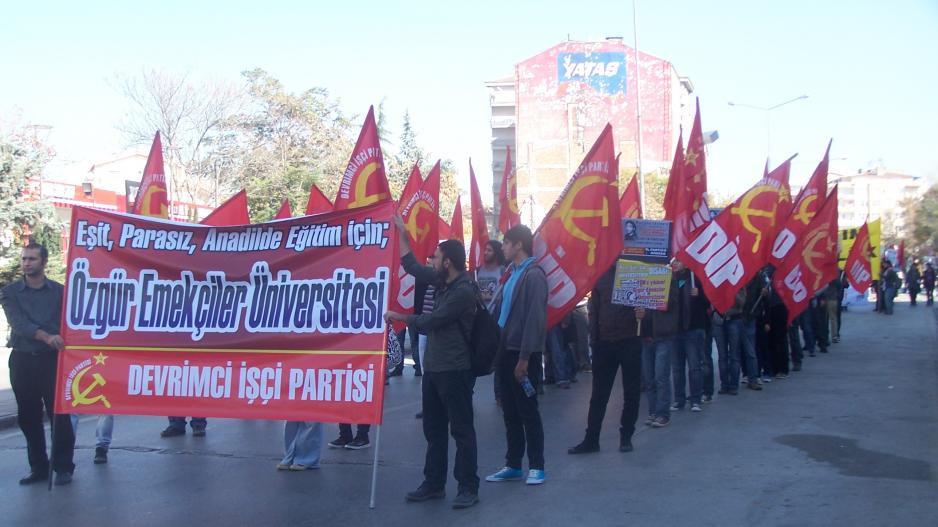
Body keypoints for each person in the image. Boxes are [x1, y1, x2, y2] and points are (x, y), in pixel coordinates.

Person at [385, 215, 480, 510]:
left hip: (456, 369)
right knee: (434, 430)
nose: (433, 261)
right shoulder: (441, 280)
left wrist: (400, 317)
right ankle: (434, 483)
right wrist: (402, 234)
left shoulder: (464, 291)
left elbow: (433, 321)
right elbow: (411, 266)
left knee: (461, 431)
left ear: (448, 262)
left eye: (437, 257)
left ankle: (468, 486)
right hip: (435, 370)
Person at [0, 242, 76, 485]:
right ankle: (38, 467)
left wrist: (64, 338)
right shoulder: (11, 292)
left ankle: (63, 466)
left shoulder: (60, 291)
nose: (26, 263)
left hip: (53, 360)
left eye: (32, 259)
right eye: (24, 259)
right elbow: (19, 324)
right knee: (28, 416)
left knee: (59, 414)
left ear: (43, 262)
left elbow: (70, 320)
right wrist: (47, 336)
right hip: (23, 359)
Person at [486, 225, 549, 486]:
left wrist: (524, 358)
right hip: (505, 350)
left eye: (506, 243)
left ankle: (537, 465)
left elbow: (535, 319)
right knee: (509, 412)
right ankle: (513, 463)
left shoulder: (534, 276)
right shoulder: (511, 273)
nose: (503, 247)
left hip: (523, 354)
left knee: (527, 410)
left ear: (519, 245)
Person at [568, 265, 643, 454]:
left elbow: (652, 303)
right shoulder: (600, 275)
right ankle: (591, 439)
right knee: (599, 396)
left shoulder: (637, 272)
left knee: (631, 393)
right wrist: (594, 340)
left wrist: (645, 314)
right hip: (604, 343)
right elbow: (593, 309)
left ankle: (626, 437)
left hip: (630, 340)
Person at [669, 260, 710, 413]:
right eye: (675, 261)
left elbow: (708, 303)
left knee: (694, 367)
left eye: (679, 260)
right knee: (677, 368)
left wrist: (699, 295)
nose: (676, 263)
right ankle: (679, 400)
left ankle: (695, 400)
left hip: (693, 329)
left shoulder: (696, 278)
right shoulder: (670, 279)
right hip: (675, 330)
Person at [643, 268, 679, 426]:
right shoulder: (638, 273)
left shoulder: (668, 277)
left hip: (663, 335)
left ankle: (662, 414)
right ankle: (653, 412)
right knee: (649, 378)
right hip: (645, 336)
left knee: (660, 377)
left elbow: (672, 302)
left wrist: (654, 292)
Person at [475, 240, 505, 306]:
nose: (485, 252)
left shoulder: (503, 271)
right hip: (479, 313)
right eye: (485, 250)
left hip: (496, 314)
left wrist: (488, 297)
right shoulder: (478, 271)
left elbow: (506, 295)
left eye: (489, 250)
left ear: (496, 253)